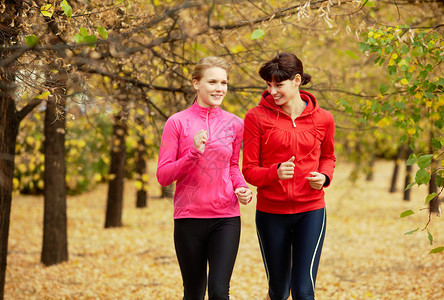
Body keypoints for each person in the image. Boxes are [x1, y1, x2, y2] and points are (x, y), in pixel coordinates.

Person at [156, 56, 252, 300]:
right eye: (212, 82)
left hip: (226, 217)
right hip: (189, 218)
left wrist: (242, 187)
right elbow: (163, 176)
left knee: (220, 292)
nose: (219, 88)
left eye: (224, 82)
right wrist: (193, 153)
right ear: (196, 84)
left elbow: (232, 166)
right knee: (194, 293)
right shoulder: (177, 122)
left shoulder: (235, 124)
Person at [242, 52, 336, 300]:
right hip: (271, 213)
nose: (272, 91)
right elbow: (249, 169)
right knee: (279, 291)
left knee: (304, 291)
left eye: (279, 85)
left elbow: (329, 157)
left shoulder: (323, 118)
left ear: (297, 80)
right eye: (269, 85)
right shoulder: (256, 117)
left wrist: (324, 177)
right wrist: (275, 173)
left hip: (311, 210)